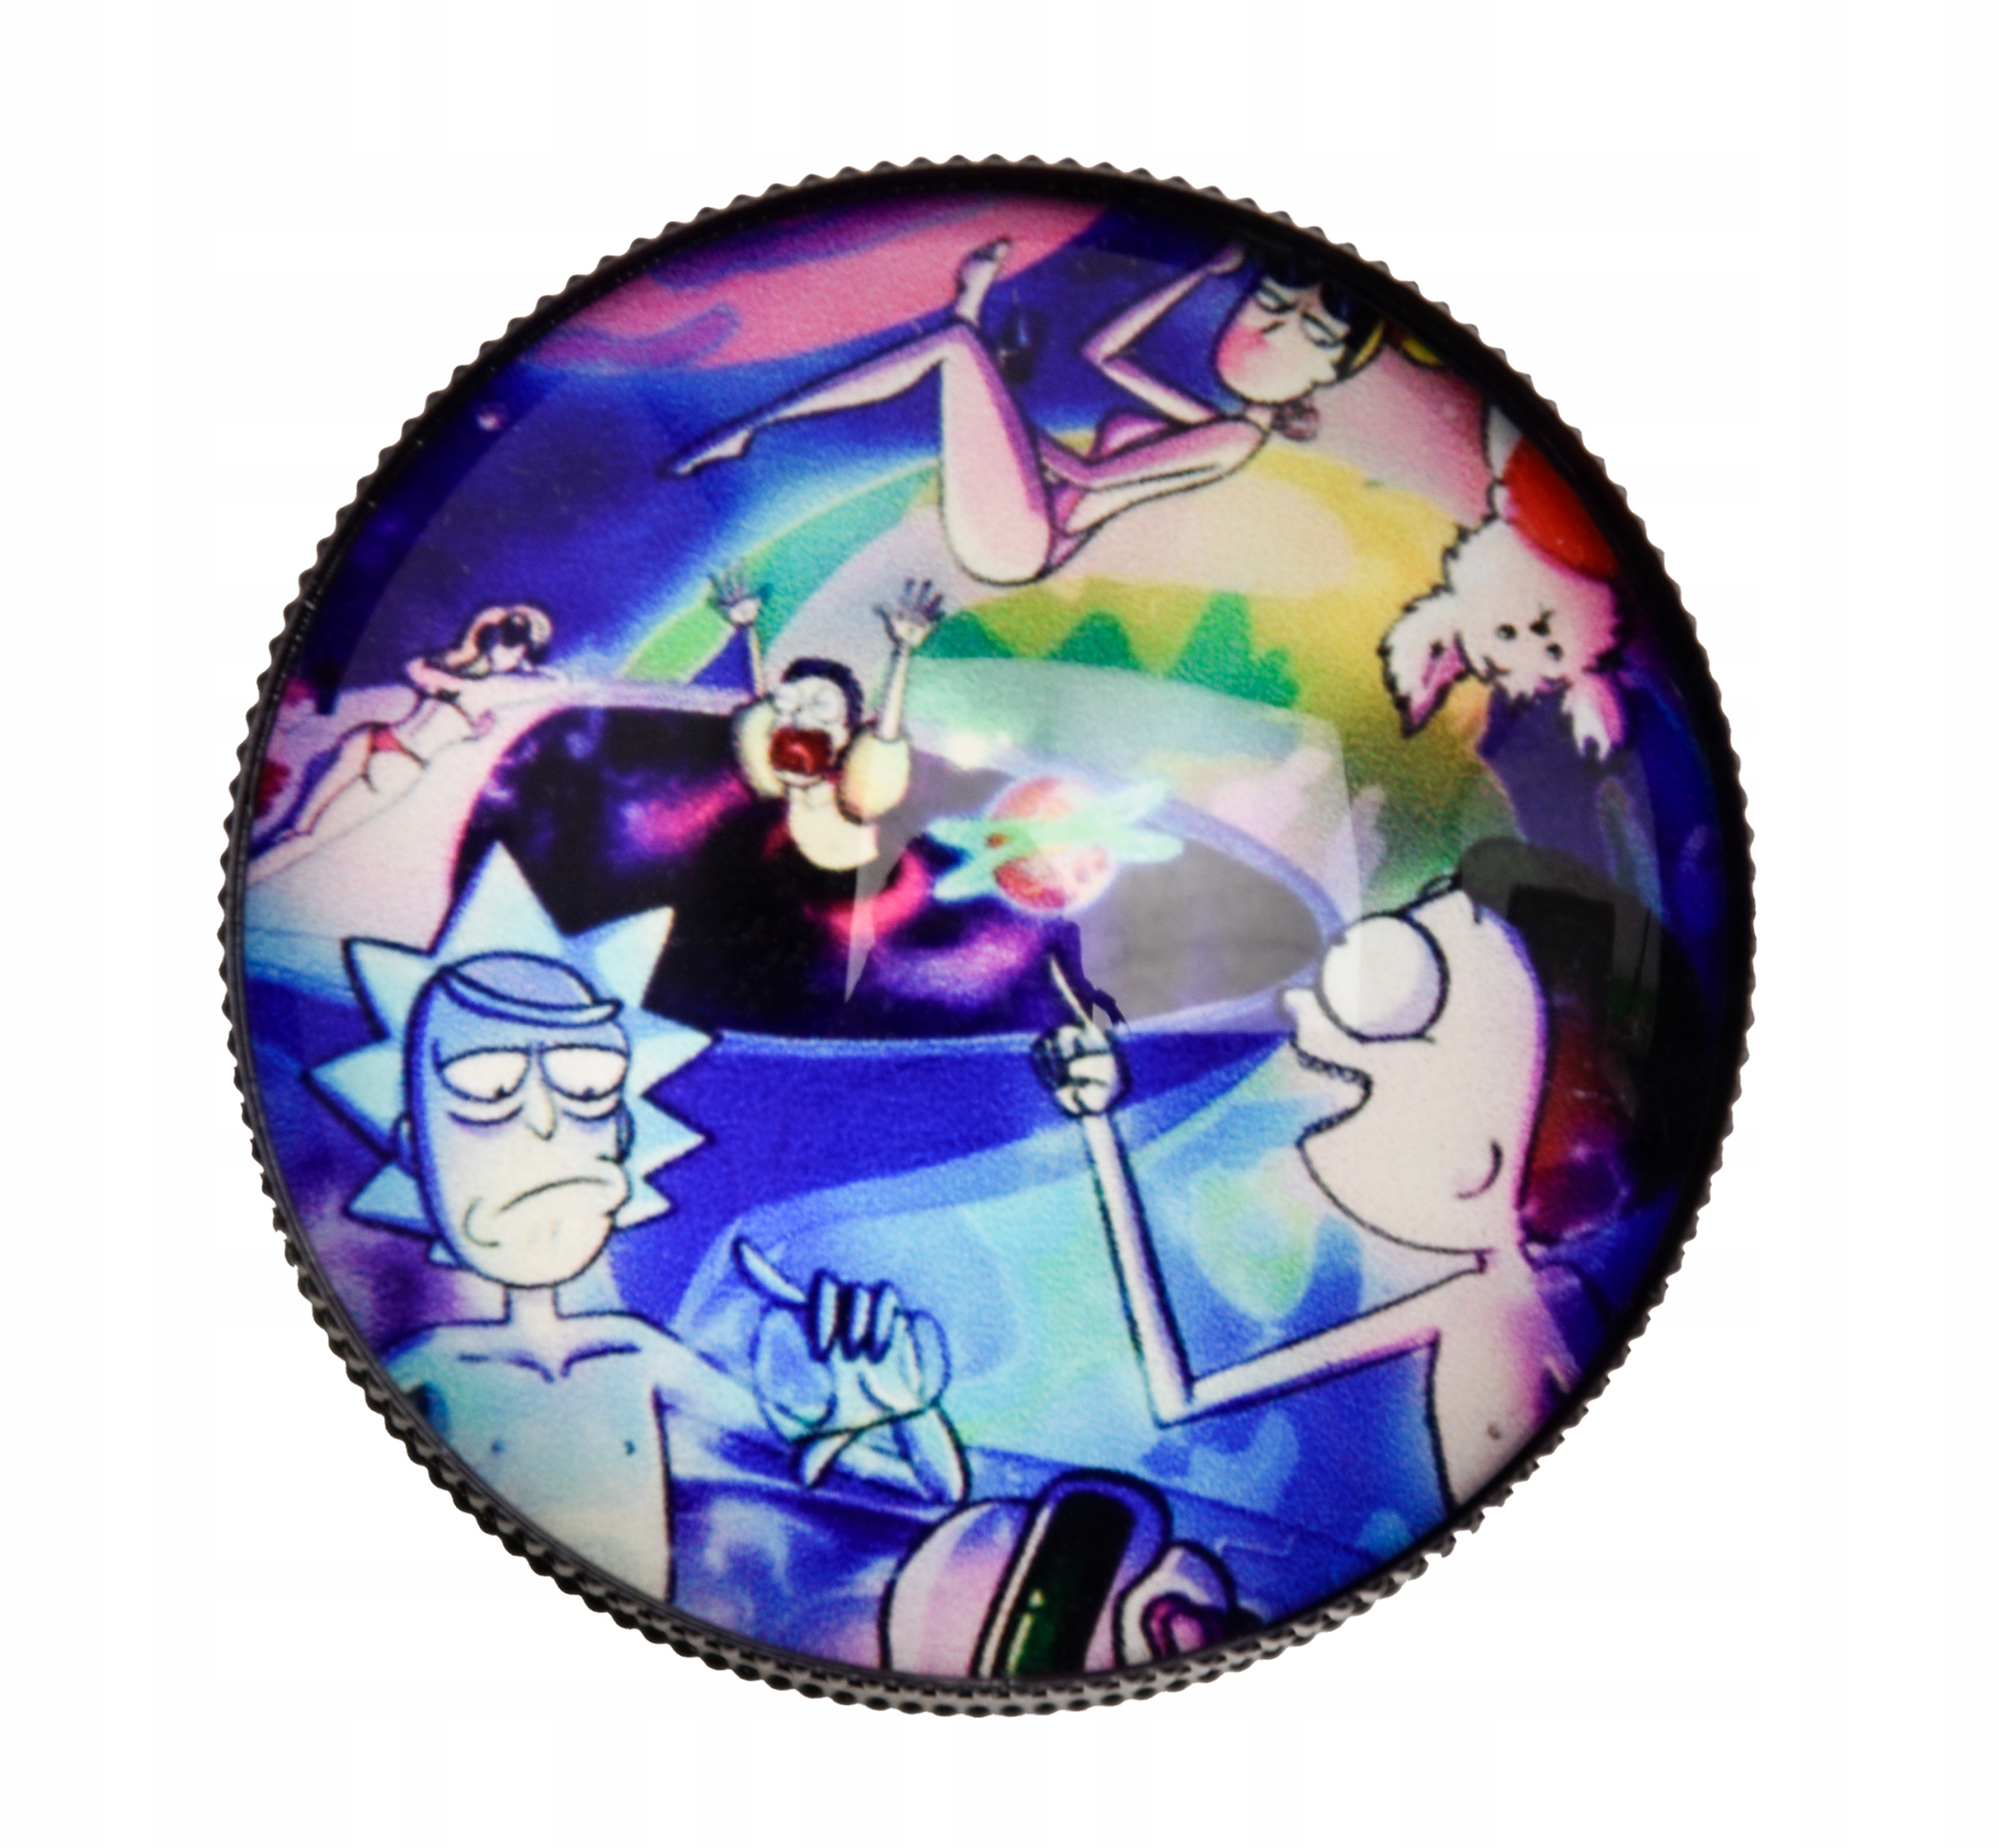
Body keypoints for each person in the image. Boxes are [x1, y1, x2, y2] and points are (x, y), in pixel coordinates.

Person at [310, 849, 964, 1602]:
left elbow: (925, 1487)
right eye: (487, 1089)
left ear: (623, 1135)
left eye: (586, 1089)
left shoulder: (638, 1354)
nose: (544, 1125)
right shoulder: (425, 1368)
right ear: (410, 1146)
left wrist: (900, 1409)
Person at [1033, 842, 1703, 1511]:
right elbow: (1182, 1397)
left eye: (1402, 994)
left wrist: (1101, 1123)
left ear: (1477, 1169)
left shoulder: (1529, 1306)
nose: (1306, 1002)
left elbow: (1179, 1397)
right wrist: (1100, 1124)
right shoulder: (1537, 1300)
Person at [675, 238, 1384, 585]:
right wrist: (1198, 275)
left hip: (1026, 539)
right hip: (1029, 520)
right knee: (961, 351)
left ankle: (749, 430)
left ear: (1326, 377)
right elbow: (1105, 353)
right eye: (1267, 305)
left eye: (1311, 335)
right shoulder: (1217, 421)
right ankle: (960, 323)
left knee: (959, 348)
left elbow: (1092, 475)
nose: (1267, 334)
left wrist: (1002, 397)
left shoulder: (1232, 440)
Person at [255, 604, 561, 863]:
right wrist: (472, 645)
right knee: (302, 840)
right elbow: (416, 669)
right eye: (504, 640)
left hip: (376, 744)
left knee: (299, 835)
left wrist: (479, 649)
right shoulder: (481, 683)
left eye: (514, 646)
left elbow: (418, 670)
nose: (505, 651)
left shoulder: (472, 679)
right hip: (397, 761)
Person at [714, 569, 942, 871]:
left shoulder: (857, 800)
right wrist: (747, 630)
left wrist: (903, 651)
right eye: (791, 705)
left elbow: (884, 738)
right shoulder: (772, 801)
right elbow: (762, 708)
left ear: (845, 734)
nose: (801, 719)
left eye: (821, 709)